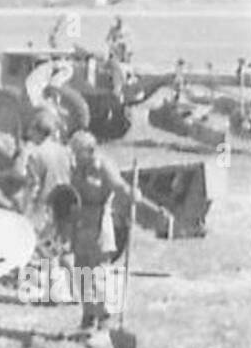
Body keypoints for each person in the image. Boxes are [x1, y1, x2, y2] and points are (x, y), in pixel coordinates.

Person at [67, 129, 172, 330]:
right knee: (81, 270)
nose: (74, 155)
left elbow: (120, 188)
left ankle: (104, 316)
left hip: (99, 224)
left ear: (89, 150)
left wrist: (138, 199)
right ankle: (88, 314)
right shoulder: (76, 167)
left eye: (78, 151)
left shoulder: (104, 166)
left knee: (98, 272)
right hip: (80, 224)